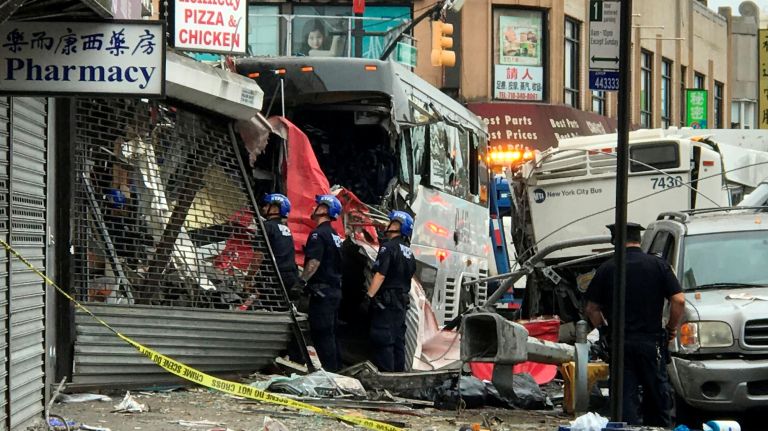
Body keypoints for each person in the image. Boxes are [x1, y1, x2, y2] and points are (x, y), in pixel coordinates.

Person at [584, 222, 686, 427]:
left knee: (624, 398)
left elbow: (591, 308)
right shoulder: (659, 266)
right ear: (639, 241)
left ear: (615, 241)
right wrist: (671, 329)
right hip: (651, 343)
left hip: (621, 345)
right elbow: (679, 300)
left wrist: (605, 331)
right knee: (657, 395)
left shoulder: (607, 269)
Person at [362, 211, 417, 372]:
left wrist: (369, 297)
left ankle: (386, 379)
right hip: (401, 302)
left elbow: (380, 275)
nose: (388, 225)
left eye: (392, 223)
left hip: (386, 301)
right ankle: (399, 378)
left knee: (383, 339)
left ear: (399, 227)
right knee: (398, 341)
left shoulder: (388, 247)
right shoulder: (409, 252)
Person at [297, 194, 344, 371]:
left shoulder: (318, 234)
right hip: (334, 292)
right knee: (331, 334)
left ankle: (331, 373)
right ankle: (337, 370)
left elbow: (314, 262)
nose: (313, 208)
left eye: (317, 205)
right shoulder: (334, 235)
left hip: (322, 293)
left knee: (321, 333)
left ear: (324, 209)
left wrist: (301, 282)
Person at [260, 194, 300, 297]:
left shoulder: (267, 226)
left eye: (267, 205)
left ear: (274, 209)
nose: (263, 208)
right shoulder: (285, 228)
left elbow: (258, 254)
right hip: (290, 276)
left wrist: (249, 278)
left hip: (274, 277)